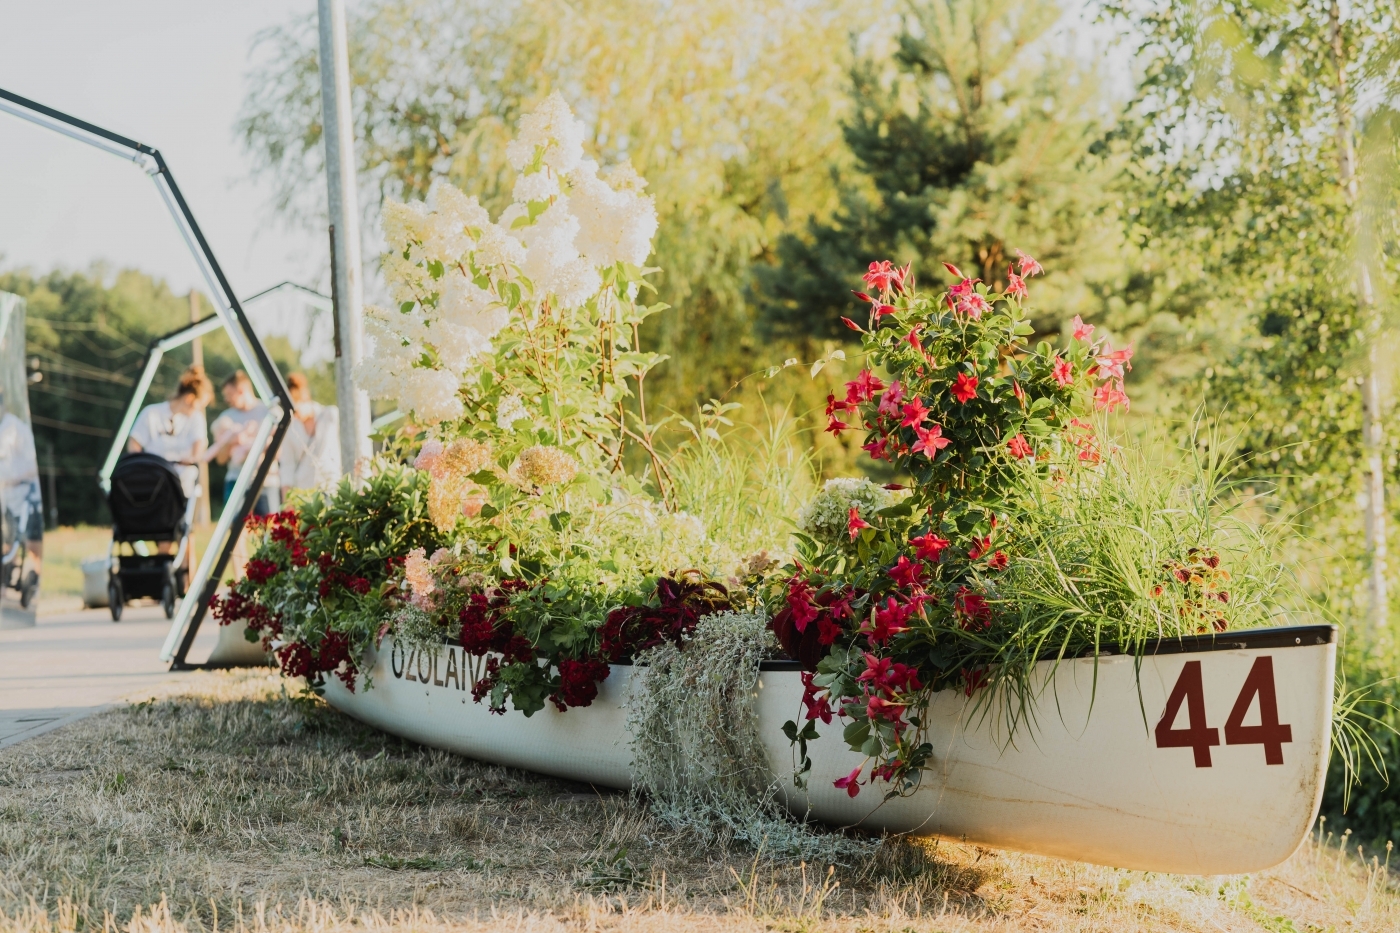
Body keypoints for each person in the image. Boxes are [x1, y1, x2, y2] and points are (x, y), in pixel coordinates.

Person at [127, 365, 213, 498]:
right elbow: (134, 444)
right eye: (200, 405)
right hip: (152, 484)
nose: (199, 410)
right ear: (189, 398)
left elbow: (199, 447)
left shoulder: (196, 419)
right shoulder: (152, 413)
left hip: (182, 487)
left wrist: (192, 459)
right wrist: (141, 468)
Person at [207, 370, 280, 517]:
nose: (227, 400)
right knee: (236, 528)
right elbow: (220, 459)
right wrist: (230, 442)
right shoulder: (226, 418)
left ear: (241, 390)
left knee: (270, 530)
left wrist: (254, 449)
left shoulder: (269, 412)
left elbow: (279, 451)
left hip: (266, 481)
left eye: (229, 395)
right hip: (235, 480)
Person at [0, 387, 41, 603]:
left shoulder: (17, 430)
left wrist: (13, 480)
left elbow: (32, 467)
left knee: (13, 539)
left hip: (17, 493)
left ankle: (8, 581)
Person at [278, 372, 341, 494]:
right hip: (306, 490)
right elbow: (287, 465)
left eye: (296, 409)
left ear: (305, 398)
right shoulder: (290, 428)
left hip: (333, 485)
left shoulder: (330, 415)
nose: (295, 415)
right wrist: (287, 499)